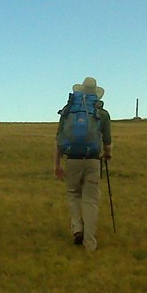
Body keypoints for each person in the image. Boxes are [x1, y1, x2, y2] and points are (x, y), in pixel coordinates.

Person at [54, 76, 113, 251]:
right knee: (91, 201)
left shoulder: (69, 111)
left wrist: (56, 164)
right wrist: (107, 154)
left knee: (73, 194)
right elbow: (108, 143)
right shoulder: (102, 114)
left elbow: (58, 139)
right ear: (96, 93)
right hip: (93, 160)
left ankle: (77, 228)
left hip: (72, 159)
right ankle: (90, 244)